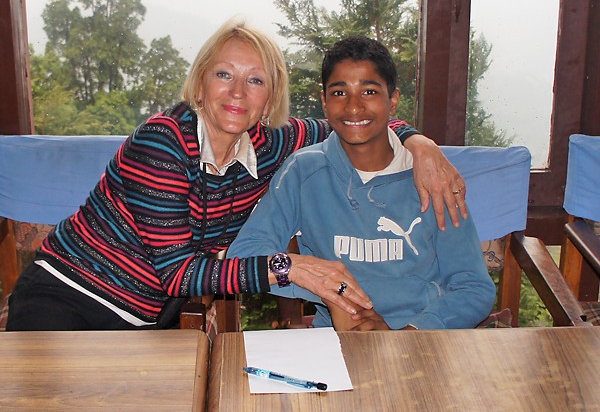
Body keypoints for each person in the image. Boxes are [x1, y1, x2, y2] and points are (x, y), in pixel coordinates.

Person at [6, 18, 467, 331]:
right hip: (68, 298)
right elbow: (178, 275)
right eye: (224, 74)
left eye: (256, 80)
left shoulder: (270, 144)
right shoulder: (163, 142)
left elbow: (352, 121)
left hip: (147, 322)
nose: (238, 93)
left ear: (270, 98)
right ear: (200, 83)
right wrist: (292, 267)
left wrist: (419, 144)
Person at [229, 36, 496, 330]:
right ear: (325, 102)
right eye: (339, 92)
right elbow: (246, 256)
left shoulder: (432, 177)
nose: (354, 107)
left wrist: (410, 333)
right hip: (335, 337)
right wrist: (321, 286)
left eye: (369, 91)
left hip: (424, 338)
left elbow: (473, 287)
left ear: (393, 100)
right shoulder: (303, 172)